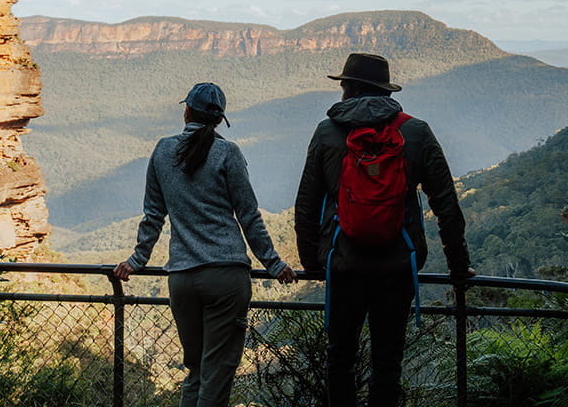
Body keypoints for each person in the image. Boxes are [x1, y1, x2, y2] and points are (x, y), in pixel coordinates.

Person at [294, 53, 474, 407]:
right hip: (397, 266)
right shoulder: (415, 132)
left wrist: (313, 263)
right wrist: (458, 266)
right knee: (387, 363)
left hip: (343, 264)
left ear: (351, 88)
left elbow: (307, 202)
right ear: (384, 90)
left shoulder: (328, 132)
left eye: (344, 83)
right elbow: (447, 206)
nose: (342, 88)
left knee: (340, 358)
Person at [113, 82, 298, 407]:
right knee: (217, 372)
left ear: (186, 111)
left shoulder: (162, 150)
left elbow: (153, 214)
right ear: (219, 120)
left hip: (181, 279)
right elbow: (248, 216)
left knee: (196, 371)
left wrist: (137, 260)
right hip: (225, 277)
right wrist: (273, 263)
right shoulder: (227, 152)